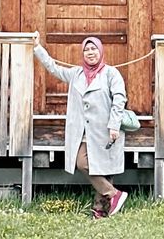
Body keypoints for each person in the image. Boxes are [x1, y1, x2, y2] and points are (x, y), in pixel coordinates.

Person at [33, 31, 128, 219]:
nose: (90, 52)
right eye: (86, 49)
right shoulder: (75, 74)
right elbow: (53, 67)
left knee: (103, 168)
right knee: (83, 163)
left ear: (100, 51)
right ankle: (113, 194)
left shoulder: (111, 73)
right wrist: (37, 47)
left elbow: (119, 98)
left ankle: (100, 210)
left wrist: (114, 125)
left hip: (105, 129)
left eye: (94, 49)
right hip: (82, 132)